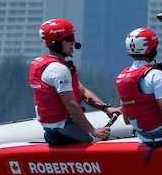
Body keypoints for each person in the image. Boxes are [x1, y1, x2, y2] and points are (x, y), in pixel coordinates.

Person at [30, 18, 117, 148]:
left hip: (54, 129)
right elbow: (71, 104)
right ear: (56, 43)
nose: (74, 42)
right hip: (64, 129)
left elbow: (81, 91)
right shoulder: (58, 69)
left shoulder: (48, 65)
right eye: (69, 39)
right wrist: (93, 131)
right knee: (94, 146)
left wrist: (105, 108)